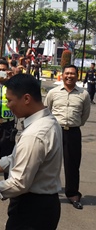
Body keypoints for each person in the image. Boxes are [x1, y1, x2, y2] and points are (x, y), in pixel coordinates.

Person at [0, 74, 63, 230]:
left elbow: (19, 183)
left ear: (26, 99)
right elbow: (17, 158)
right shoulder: (46, 121)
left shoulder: (35, 134)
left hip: (32, 210)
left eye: (10, 100)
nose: (7, 105)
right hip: (41, 206)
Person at [44, 65, 91, 210]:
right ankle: (46, 192)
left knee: (72, 164)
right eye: (67, 73)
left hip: (73, 132)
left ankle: (72, 194)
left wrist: (74, 124)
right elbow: (46, 110)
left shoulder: (84, 94)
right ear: (62, 75)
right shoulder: (53, 92)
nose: (69, 76)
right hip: (55, 131)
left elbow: (84, 115)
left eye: (72, 74)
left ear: (77, 76)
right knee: (48, 162)